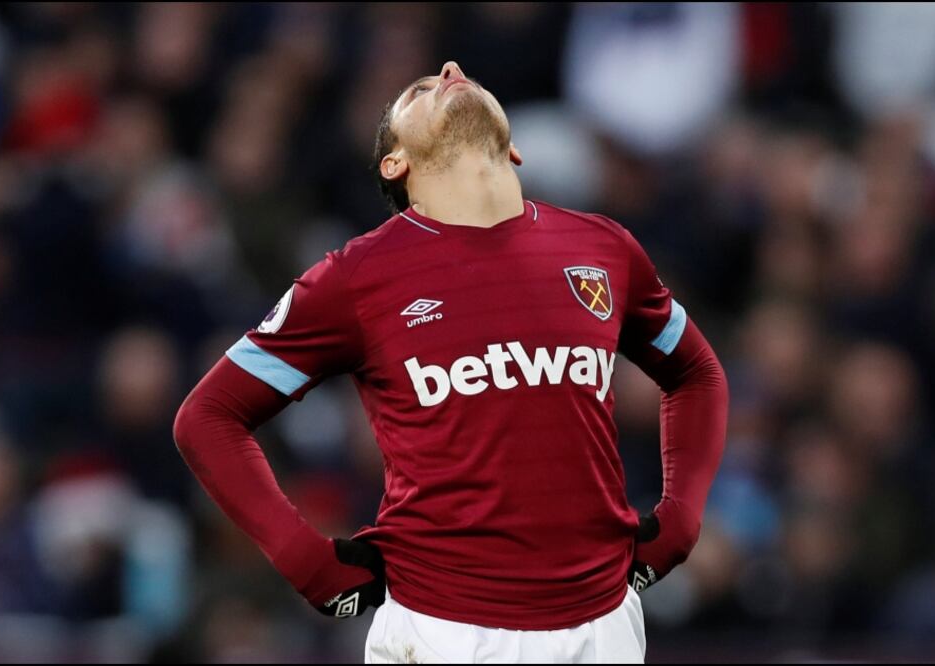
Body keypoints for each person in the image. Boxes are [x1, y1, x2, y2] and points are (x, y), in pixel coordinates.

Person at [173, 61, 728, 664]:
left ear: (512, 149)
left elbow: (697, 373)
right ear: (396, 164)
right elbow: (208, 416)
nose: (451, 70)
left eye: (460, 78)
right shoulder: (355, 278)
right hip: (445, 632)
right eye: (419, 90)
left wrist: (680, 522)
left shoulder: (605, 248)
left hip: (604, 629)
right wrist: (306, 562)